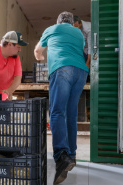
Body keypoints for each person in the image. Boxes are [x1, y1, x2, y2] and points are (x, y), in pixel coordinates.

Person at [34, 12, 89, 184]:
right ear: (72, 23)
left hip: (62, 69)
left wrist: (41, 58)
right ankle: (71, 155)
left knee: (57, 112)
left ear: (58, 21)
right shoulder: (78, 33)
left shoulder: (52, 29)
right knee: (70, 115)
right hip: (80, 72)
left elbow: (37, 51)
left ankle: (61, 156)